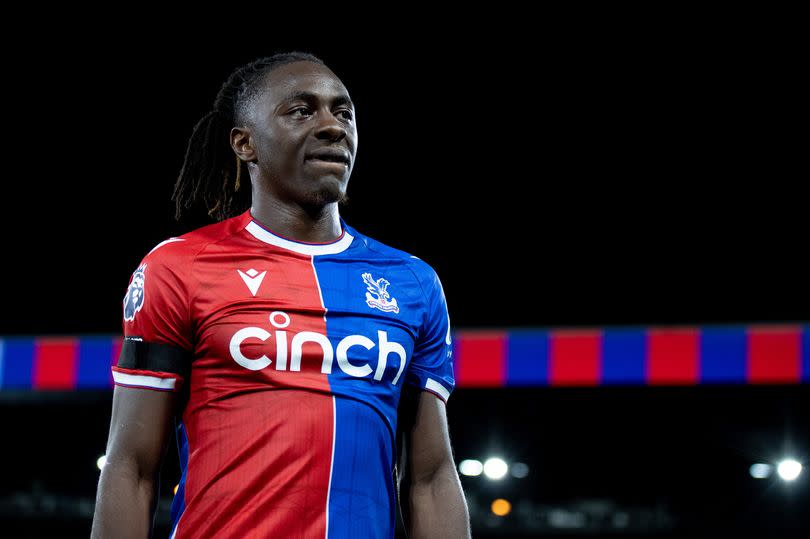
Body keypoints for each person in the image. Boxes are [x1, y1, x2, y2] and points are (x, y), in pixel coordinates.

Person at [91, 52, 470, 539]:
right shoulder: (178, 268)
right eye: (301, 110)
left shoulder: (412, 282)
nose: (333, 126)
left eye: (344, 112)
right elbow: (131, 466)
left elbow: (431, 478)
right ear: (244, 143)